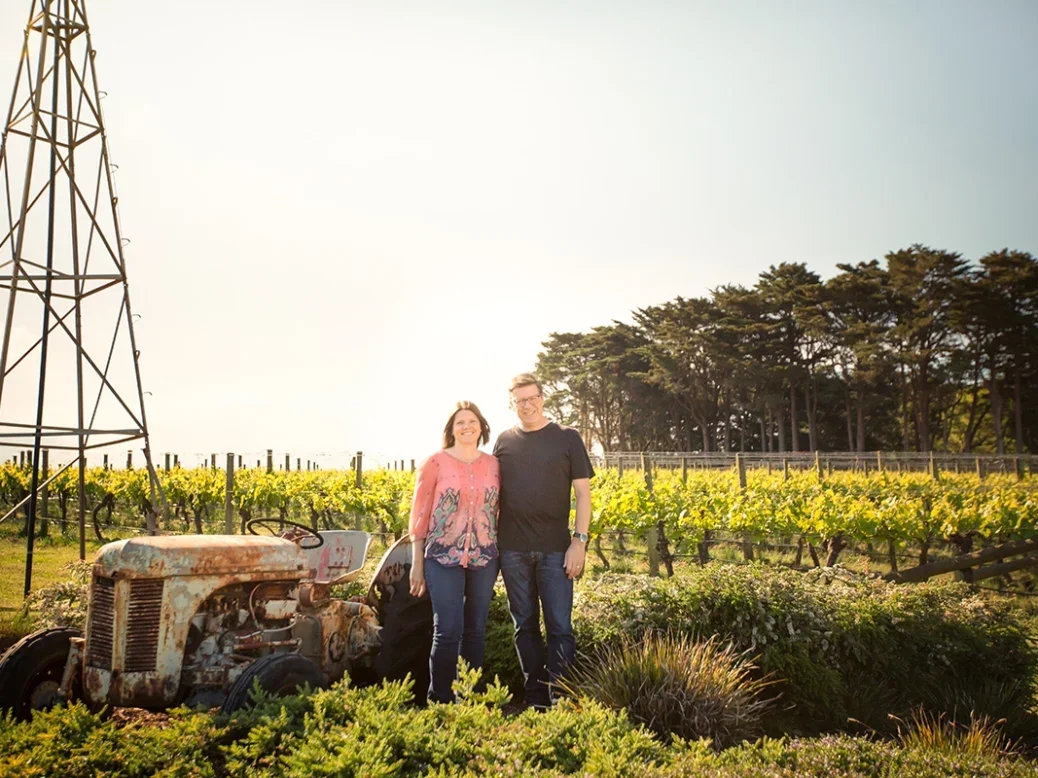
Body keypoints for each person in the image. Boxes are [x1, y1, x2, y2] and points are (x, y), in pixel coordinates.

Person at [493, 373, 593, 709]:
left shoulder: (567, 438)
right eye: (520, 400)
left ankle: (561, 698)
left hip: (556, 549)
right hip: (512, 550)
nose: (527, 404)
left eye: (532, 397)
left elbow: (583, 494)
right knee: (524, 625)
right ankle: (536, 699)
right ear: (512, 403)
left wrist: (579, 541)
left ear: (543, 397)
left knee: (560, 627)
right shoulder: (504, 441)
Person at [408, 401, 500, 703]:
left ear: (481, 427)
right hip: (442, 557)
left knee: (475, 630)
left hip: (484, 557)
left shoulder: (493, 464)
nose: (466, 427)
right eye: (460, 422)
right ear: (451, 430)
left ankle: (468, 699)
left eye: (472, 421)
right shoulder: (435, 462)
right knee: (447, 630)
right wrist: (417, 563)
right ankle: (440, 701)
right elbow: (420, 513)